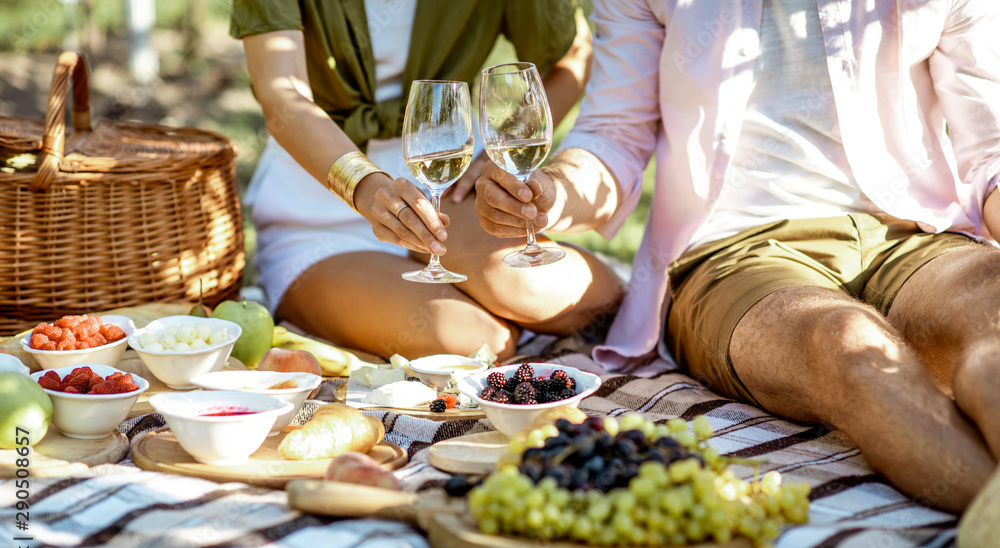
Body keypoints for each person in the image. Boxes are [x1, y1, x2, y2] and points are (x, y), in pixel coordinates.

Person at [475, 0, 1000, 513]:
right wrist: (555, 193)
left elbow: (991, 151)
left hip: (916, 235)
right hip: (735, 253)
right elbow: (614, 133)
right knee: (845, 345)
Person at [229, 0, 624, 362]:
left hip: (447, 186)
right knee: (474, 342)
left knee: (590, 300)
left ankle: (483, 290)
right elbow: (281, 92)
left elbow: (571, 55)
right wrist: (365, 185)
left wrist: (493, 152)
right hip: (318, 207)